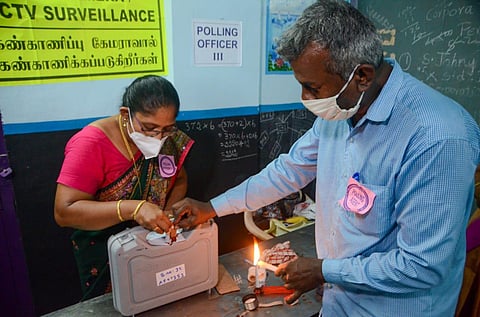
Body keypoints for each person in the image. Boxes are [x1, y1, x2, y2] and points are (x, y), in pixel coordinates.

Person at [171, 1, 480, 316]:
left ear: (361, 76)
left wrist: (324, 271)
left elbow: (422, 266)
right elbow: (287, 171)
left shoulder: (437, 138)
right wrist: (211, 208)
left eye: (312, 87)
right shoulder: (344, 110)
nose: (305, 99)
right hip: (338, 300)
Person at [54, 75, 194, 300]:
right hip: (104, 257)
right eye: (149, 128)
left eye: (167, 129)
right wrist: (134, 209)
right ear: (124, 114)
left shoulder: (168, 138)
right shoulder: (91, 144)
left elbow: (179, 179)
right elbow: (64, 211)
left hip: (152, 251)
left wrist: (167, 213)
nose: (158, 138)